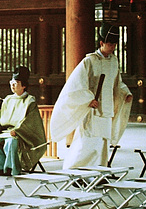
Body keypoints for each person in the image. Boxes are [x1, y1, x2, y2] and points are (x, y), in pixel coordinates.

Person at [50, 23, 133, 169]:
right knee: (87, 142)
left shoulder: (114, 61)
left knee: (103, 143)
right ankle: (75, 170)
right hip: (92, 109)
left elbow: (116, 83)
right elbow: (77, 84)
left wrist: (125, 93)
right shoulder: (89, 61)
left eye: (114, 44)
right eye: (110, 44)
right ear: (101, 43)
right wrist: (88, 99)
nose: (112, 47)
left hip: (106, 109)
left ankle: (99, 172)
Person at [0, 66, 46, 176]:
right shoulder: (8, 99)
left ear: (24, 85)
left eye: (16, 83)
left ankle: (10, 168)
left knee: (11, 142)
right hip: (6, 131)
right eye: (11, 82)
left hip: (21, 134)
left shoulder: (30, 101)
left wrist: (18, 130)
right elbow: (1, 117)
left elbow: (30, 121)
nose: (12, 85)